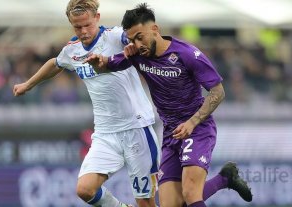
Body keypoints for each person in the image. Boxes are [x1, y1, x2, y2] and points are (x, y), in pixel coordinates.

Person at [84, 3, 253, 207]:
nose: (137, 44)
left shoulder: (188, 54)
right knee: (173, 204)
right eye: (131, 40)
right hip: (171, 134)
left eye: (140, 37)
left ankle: (224, 178)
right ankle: (225, 179)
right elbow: (106, 65)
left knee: (190, 192)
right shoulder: (136, 55)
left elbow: (218, 92)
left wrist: (192, 122)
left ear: (155, 29)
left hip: (197, 128)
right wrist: (97, 62)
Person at [13, 1, 160, 206]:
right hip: (105, 134)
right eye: (77, 27)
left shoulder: (115, 36)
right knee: (85, 189)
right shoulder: (73, 50)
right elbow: (56, 63)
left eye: (87, 25)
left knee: (146, 203)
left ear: (97, 18)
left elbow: (138, 38)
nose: (83, 31)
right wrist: (28, 84)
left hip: (136, 129)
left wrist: (134, 43)